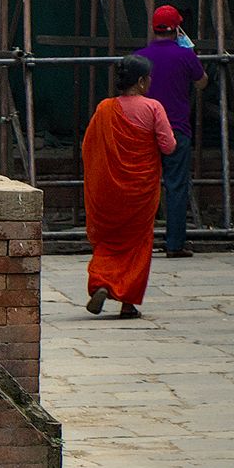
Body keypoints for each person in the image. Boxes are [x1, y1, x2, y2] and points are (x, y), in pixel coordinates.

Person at [83, 55, 176, 319]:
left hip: (109, 190)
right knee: (138, 242)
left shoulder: (104, 108)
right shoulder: (153, 108)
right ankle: (127, 302)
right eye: (149, 78)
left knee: (108, 240)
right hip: (141, 189)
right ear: (141, 81)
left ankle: (101, 282)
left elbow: (88, 147)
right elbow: (168, 146)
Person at [134, 3, 209, 257]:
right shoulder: (185, 56)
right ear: (177, 29)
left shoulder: (140, 57)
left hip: (145, 130)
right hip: (177, 129)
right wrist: (189, 50)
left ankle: (139, 242)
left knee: (143, 186)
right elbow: (201, 83)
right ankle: (175, 244)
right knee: (176, 186)